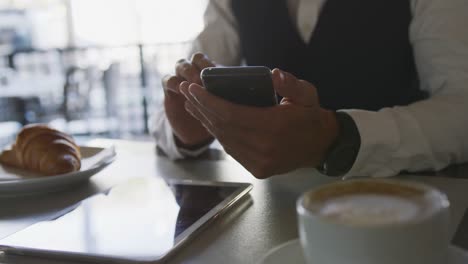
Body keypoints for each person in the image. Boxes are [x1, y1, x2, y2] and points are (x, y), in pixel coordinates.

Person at [151, 0, 468, 178]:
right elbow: (185, 86)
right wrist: (184, 130)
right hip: (273, 216)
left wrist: (336, 138)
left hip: (408, 207)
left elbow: (461, 107)